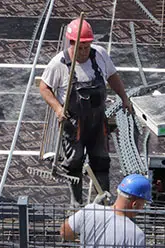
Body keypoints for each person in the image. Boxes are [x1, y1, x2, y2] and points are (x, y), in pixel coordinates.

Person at [39, 17, 133, 207]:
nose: (83, 51)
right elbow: (44, 87)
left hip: (98, 121)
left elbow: (113, 77)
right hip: (74, 125)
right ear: (71, 43)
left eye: (86, 46)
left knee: (101, 160)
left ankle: (103, 203)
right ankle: (77, 204)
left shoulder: (100, 56)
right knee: (74, 162)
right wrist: (58, 108)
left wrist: (124, 98)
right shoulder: (59, 63)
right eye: (80, 47)